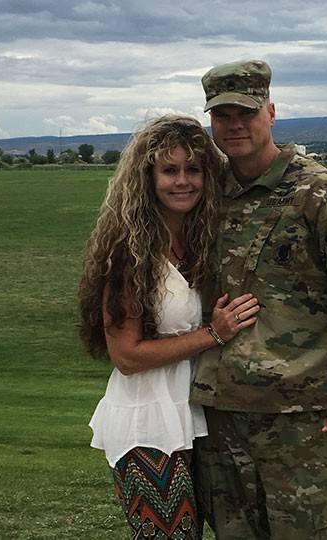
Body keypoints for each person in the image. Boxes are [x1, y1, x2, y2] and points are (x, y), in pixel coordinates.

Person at [191, 60, 327, 539]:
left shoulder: (323, 193)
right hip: (222, 414)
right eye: (222, 115)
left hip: (303, 416)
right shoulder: (206, 195)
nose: (234, 125)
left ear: (270, 112)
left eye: (246, 113)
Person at [81, 115, 261, 540]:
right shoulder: (129, 253)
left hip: (195, 414)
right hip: (147, 421)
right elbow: (126, 356)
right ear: (147, 178)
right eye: (169, 170)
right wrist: (213, 334)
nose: (183, 181)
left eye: (193, 169)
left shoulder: (200, 242)